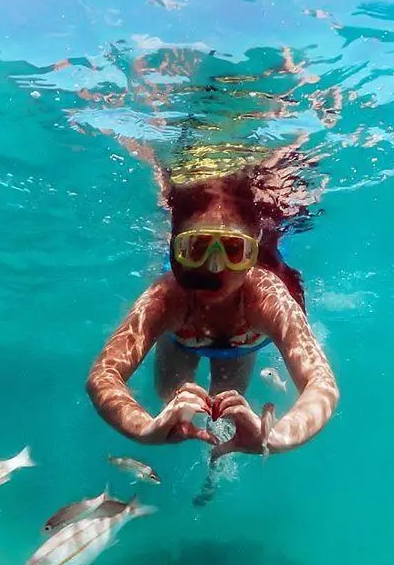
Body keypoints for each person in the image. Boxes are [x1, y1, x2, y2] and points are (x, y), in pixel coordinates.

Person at [85, 139, 338, 461]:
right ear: (176, 248)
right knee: (171, 399)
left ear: (253, 253)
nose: (214, 266)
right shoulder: (166, 298)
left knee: (226, 405)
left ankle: (220, 455)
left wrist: (275, 437)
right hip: (184, 337)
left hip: (241, 342)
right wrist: (145, 429)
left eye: (233, 249)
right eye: (197, 248)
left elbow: (321, 381)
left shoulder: (266, 297)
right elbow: (103, 375)